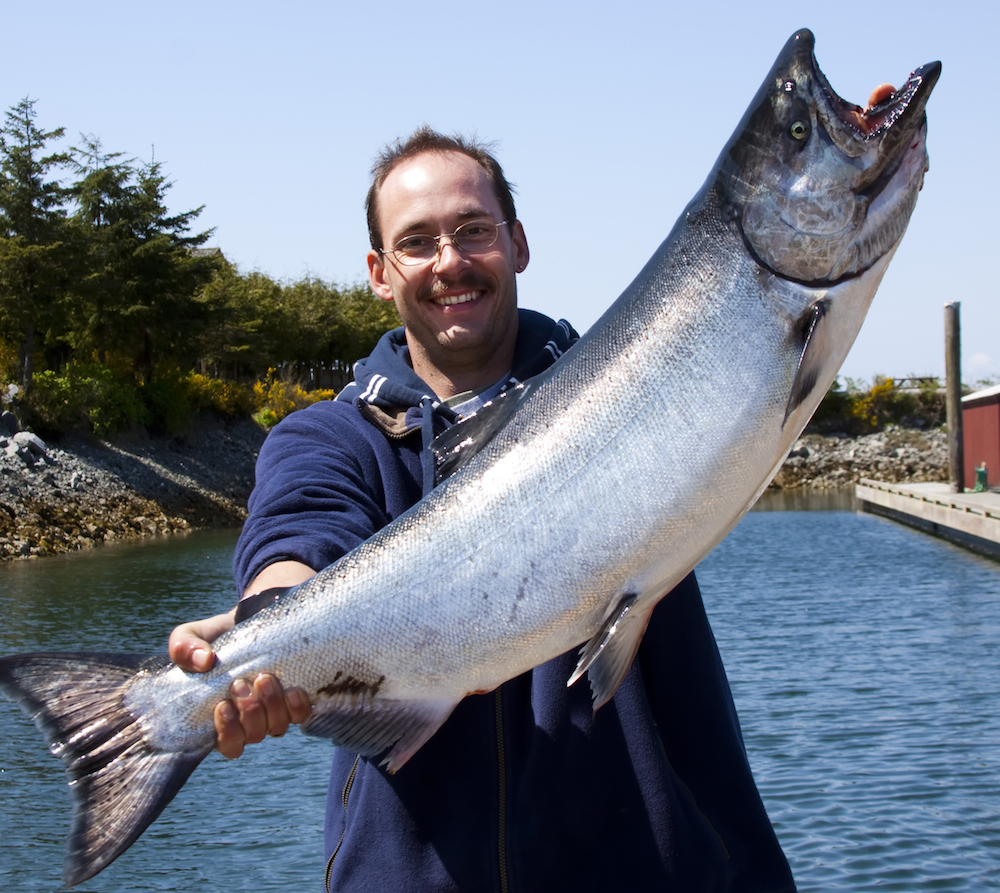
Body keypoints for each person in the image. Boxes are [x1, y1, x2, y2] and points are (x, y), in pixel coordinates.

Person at [169, 127, 797, 892]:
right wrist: (267, 619)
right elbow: (299, 532)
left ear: (518, 243)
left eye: (473, 231)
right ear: (378, 272)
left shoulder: (638, 386)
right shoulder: (328, 436)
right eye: (418, 242)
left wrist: (851, 170)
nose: (450, 262)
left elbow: (778, 318)